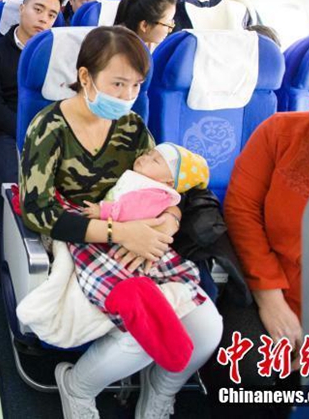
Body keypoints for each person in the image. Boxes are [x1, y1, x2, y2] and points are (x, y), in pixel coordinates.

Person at [19, 26, 222, 419]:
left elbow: (165, 184)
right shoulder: (49, 127)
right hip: (80, 233)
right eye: (117, 83)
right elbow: (38, 210)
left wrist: (168, 222)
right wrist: (117, 232)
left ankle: (159, 392)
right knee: (142, 332)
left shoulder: (131, 127)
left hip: (140, 231)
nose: (128, 96)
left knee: (207, 328)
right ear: (85, 77)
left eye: (136, 85)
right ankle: (77, 387)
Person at [201, 48, 309, 419]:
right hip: (268, 289)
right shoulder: (280, 131)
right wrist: (270, 297)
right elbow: (241, 211)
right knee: (243, 370)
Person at [69, 143, 211, 373]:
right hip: (115, 233)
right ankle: (144, 298)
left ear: (168, 182)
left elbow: (129, 209)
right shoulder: (143, 177)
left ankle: (145, 299)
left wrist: (103, 212)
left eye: (154, 160)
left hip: (130, 233)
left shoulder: (151, 186)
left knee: (120, 266)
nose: (145, 157)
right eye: (147, 154)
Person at [0, 0, 64, 225]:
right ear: (21, 8)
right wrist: (26, 132)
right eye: (38, 10)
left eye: (51, 14)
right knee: (12, 181)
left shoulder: (60, 52)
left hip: (54, 130)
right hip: (12, 130)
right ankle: (8, 231)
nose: (43, 19)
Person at [113, 0, 177, 51]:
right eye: (167, 23)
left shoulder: (145, 44)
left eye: (172, 22)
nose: (170, 30)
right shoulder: (126, 53)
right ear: (145, 25)